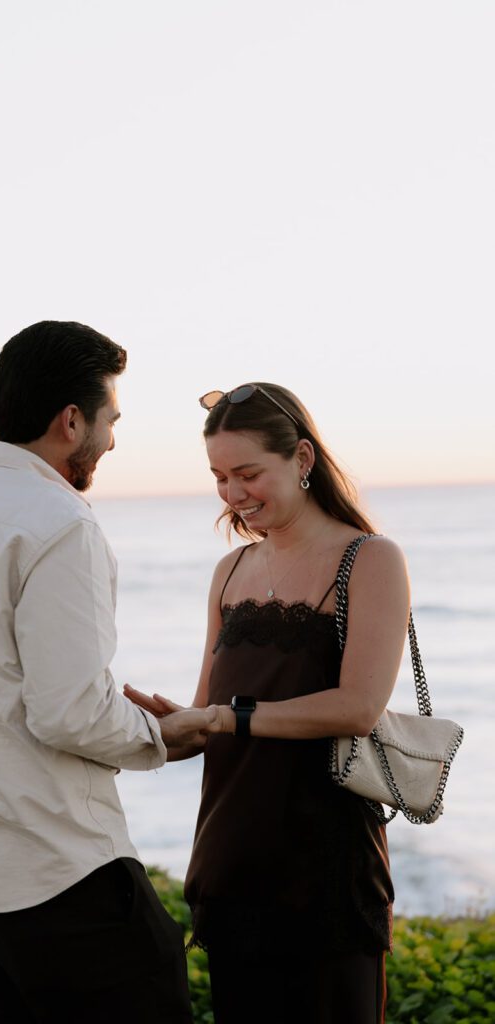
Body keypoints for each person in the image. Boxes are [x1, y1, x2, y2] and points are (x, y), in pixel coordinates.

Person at [0, 320, 220, 1024]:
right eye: (109, 419)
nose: (112, 439)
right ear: (70, 421)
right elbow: (69, 711)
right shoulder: (59, 521)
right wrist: (163, 736)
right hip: (57, 868)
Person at [125, 381, 410, 1024]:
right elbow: (204, 721)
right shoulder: (229, 573)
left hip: (329, 870)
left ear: (302, 459)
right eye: (220, 478)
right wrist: (156, 727)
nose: (232, 495)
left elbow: (359, 706)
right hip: (232, 862)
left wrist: (229, 716)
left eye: (248, 473)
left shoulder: (369, 559)